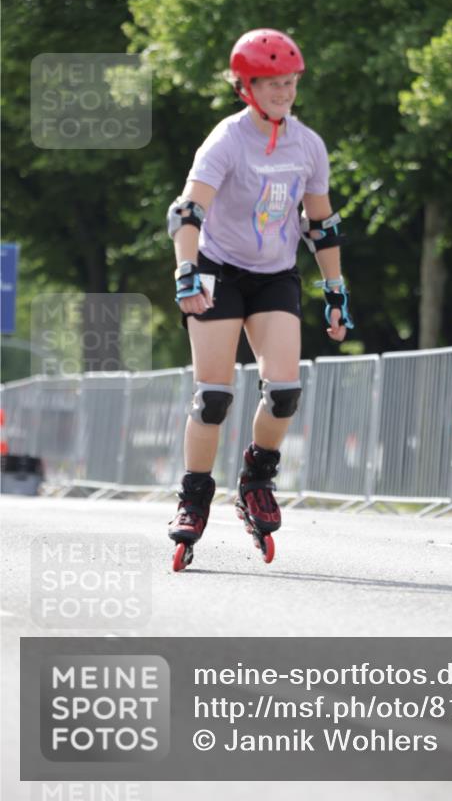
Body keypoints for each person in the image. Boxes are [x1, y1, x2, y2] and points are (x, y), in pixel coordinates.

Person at [166, 28, 354, 568]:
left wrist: (335, 290)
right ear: (246, 87)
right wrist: (186, 270)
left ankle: (255, 481)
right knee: (213, 397)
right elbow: (187, 211)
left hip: (274, 276)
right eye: (273, 84)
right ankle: (194, 497)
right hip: (217, 272)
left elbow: (321, 225)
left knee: (284, 393)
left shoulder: (308, 145)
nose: (285, 93)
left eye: (291, 83)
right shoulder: (227, 140)